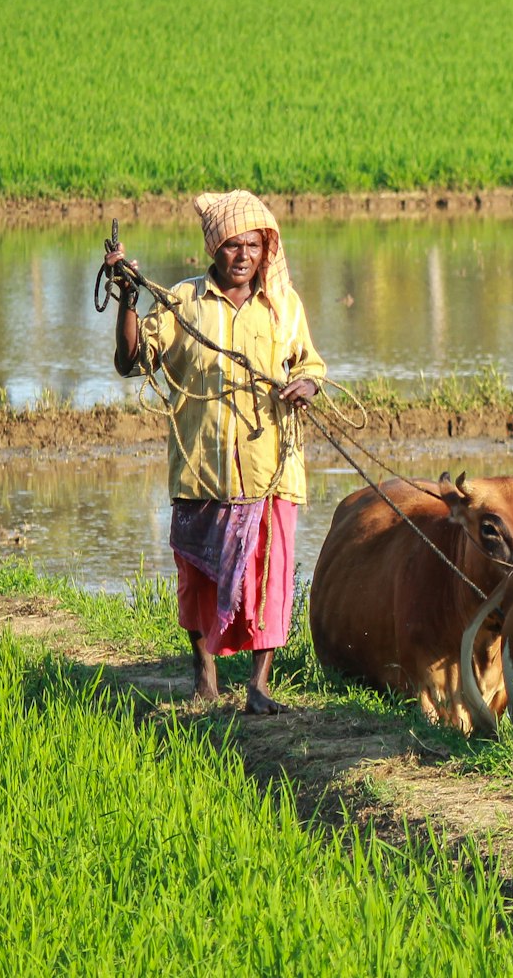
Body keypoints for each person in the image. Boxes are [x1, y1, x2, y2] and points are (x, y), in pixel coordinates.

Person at [104, 191, 325, 714]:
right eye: (232, 245)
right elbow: (131, 360)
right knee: (199, 578)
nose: (243, 255)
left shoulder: (282, 306)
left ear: (265, 250)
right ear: (214, 249)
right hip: (202, 471)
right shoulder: (182, 302)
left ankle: (259, 686)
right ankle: (204, 676)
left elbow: (312, 365)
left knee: (270, 577)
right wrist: (129, 299)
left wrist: (307, 385)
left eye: (252, 244)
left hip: (271, 470)